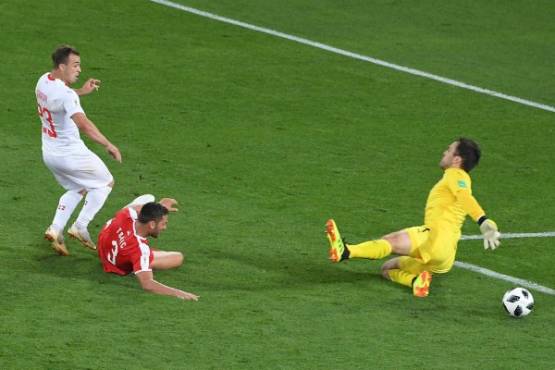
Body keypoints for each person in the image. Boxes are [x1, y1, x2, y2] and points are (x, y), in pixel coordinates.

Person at [325, 138, 501, 297]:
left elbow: (465, 197)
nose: (444, 152)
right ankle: (415, 282)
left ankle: (346, 251)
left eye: (449, 150)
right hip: (445, 257)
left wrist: (483, 220)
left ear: (457, 159)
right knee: (387, 269)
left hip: (433, 238)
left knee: (390, 241)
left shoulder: (456, 175)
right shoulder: (459, 179)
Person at [36, 45, 122, 256]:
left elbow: (60, 97)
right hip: (71, 155)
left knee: (79, 187)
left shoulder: (43, 81)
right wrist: (108, 144)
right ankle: (80, 226)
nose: (79, 69)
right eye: (75, 65)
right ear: (62, 66)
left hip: (49, 153)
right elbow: (84, 124)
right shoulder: (66, 94)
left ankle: (55, 229)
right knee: (106, 183)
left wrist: (82, 92)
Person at [97, 194, 199, 301]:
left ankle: (154, 207)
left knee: (142, 202)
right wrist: (179, 293)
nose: (165, 228)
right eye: (163, 224)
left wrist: (160, 207)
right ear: (152, 224)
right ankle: (137, 265)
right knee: (178, 257)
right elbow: (148, 284)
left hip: (103, 248)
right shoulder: (140, 250)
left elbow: (137, 209)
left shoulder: (127, 213)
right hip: (116, 265)